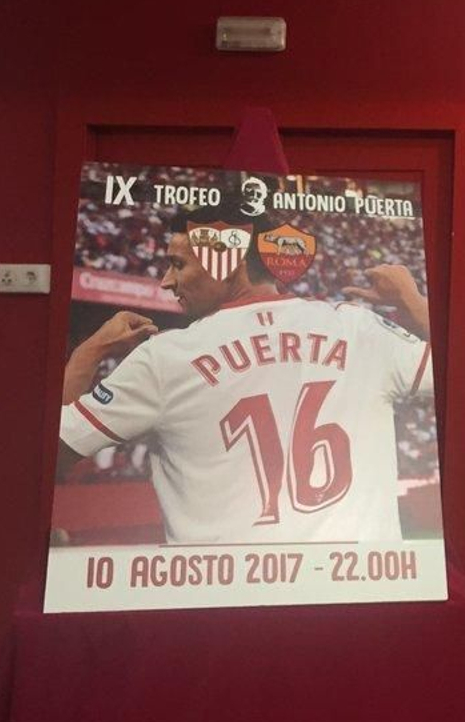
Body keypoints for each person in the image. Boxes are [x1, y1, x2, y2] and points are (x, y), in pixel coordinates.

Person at [58, 208, 432, 544]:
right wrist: (413, 302)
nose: (166, 282)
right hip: (360, 603)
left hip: (223, 609)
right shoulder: (358, 327)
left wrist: (87, 353)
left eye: (178, 264)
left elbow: (51, 454)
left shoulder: (164, 356)